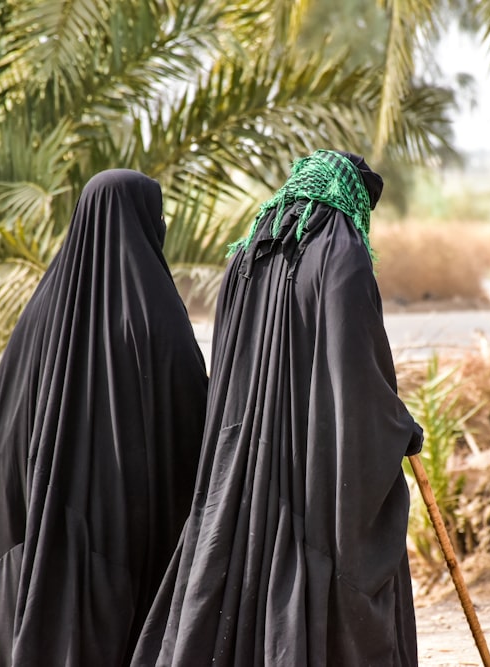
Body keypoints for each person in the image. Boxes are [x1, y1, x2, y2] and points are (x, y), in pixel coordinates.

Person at [133, 150, 423, 666]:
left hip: (244, 466)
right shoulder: (344, 256)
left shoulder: (247, 256)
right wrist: (400, 428)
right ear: (353, 198)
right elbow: (356, 374)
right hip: (312, 469)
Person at [0, 169, 209, 667]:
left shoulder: (37, 316)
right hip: (122, 549)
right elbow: (193, 421)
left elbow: (7, 432)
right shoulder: (156, 317)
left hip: (37, 529)